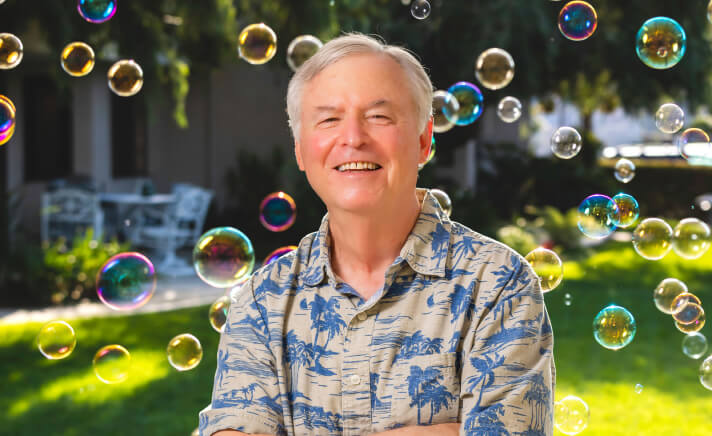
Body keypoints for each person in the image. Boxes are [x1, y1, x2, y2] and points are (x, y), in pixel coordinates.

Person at [199, 33, 555, 436]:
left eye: (379, 117)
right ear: (300, 149)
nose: (353, 138)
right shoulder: (262, 300)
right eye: (329, 119)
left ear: (423, 141)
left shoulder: (497, 285)